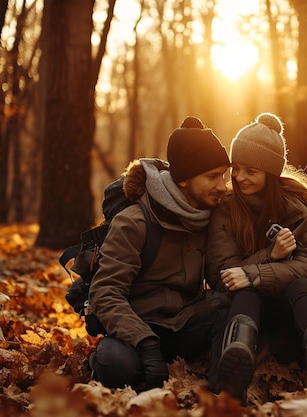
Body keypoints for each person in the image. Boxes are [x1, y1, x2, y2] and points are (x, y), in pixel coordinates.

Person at [206, 112, 307, 403]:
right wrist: (270, 256)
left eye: (250, 171)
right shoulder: (224, 208)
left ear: (270, 172)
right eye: (236, 168)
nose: (239, 177)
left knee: (300, 286)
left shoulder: (297, 206)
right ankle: (232, 370)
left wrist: (255, 272)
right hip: (243, 314)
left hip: (292, 319)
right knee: (245, 291)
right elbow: (221, 273)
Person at [88, 116, 231, 392]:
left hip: (184, 324)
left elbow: (221, 278)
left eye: (223, 176)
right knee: (116, 366)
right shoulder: (134, 222)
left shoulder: (207, 216)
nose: (222, 186)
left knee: (231, 307)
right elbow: (105, 293)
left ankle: (221, 389)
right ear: (185, 179)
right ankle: (108, 359)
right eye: (213, 177)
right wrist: (145, 342)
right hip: (137, 327)